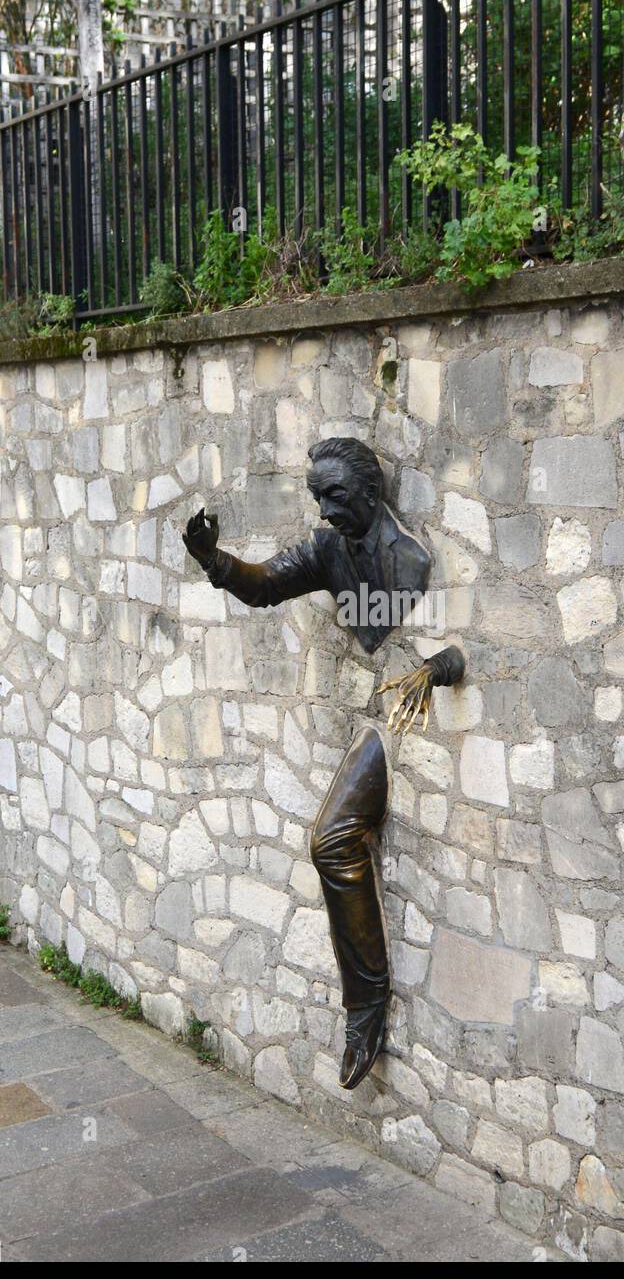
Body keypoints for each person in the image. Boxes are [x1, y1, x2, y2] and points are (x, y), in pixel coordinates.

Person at [182, 436, 465, 1088]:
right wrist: (213, 560)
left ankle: (365, 1004)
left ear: (369, 490)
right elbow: (266, 585)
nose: (326, 511)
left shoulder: (411, 558)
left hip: (399, 719)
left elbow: (460, 646)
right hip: (377, 715)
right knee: (332, 840)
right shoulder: (328, 548)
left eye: (334, 497)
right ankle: (365, 1004)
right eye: (319, 500)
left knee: (331, 839)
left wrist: (436, 666)